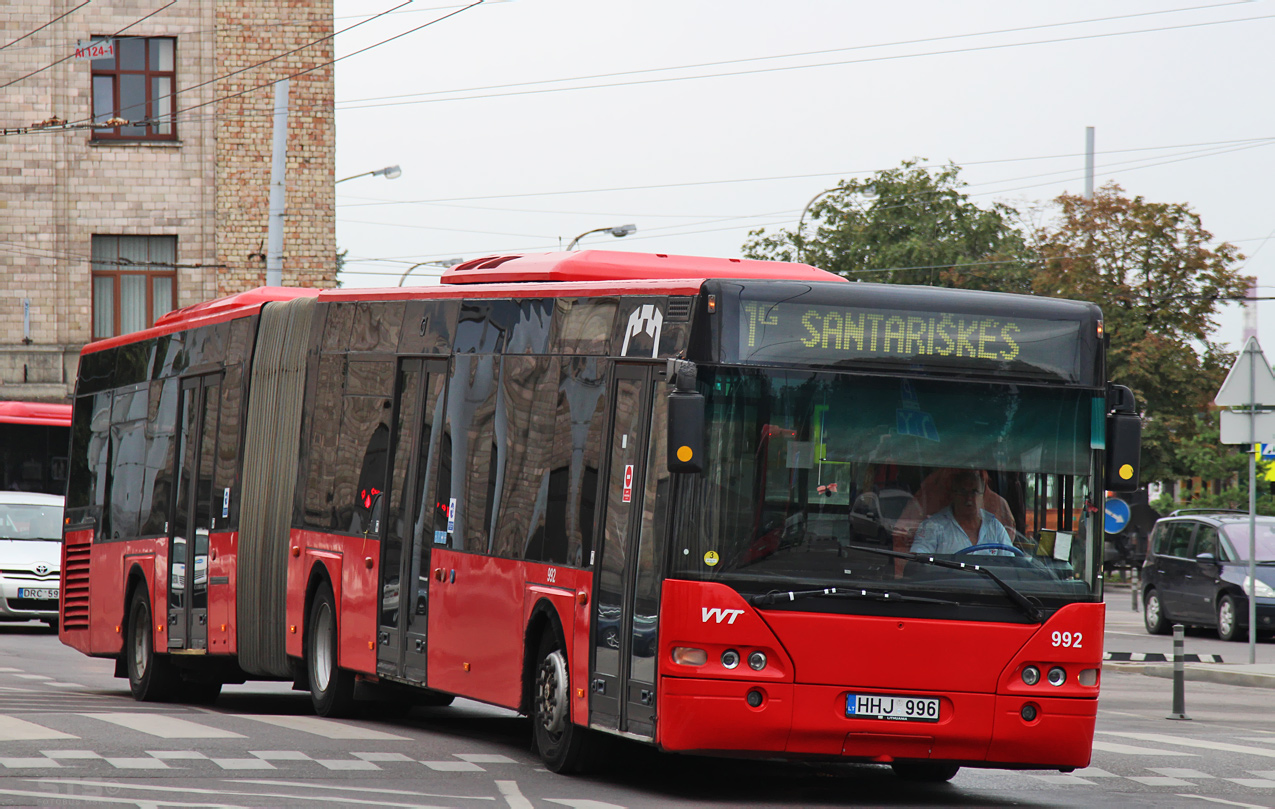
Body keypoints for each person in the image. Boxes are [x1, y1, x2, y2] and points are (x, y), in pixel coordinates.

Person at [911, 469, 1012, 555]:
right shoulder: (933, 526)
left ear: (982, 496)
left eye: (974, 492)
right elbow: (918, 563)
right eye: (963, 492)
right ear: (953, 494)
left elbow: (1010, 565)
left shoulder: (995, 527)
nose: (969, 498)